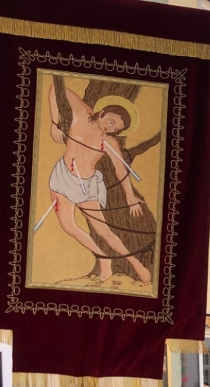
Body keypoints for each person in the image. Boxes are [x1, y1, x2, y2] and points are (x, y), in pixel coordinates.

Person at [45, 79, 152, 285]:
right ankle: (104, 261)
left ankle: (138, 266)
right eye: (111, 121)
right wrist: (54, 122)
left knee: (104, 231)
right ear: (103, 112)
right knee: (69, 227)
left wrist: (130, 197)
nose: (111, 128)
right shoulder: (81, 112)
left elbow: (121, 169)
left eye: (115, 129)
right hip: (62, 177)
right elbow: (56, 90)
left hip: (85, 187)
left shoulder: (108, 142)